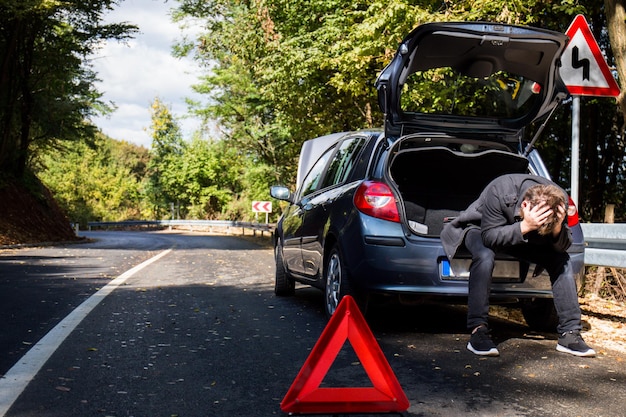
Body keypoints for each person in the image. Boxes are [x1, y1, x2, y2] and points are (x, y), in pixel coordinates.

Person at [441, 173, 595, 357]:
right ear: (524, 205)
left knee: (561, 260)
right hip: (481, 228)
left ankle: (570, 334)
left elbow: (563, 247)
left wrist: (555, 229)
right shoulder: (499, 189)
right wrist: (526, 226)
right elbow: (489, 237)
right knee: (485, 255)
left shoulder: (559, 198)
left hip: (527, 233)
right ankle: (478, 330)